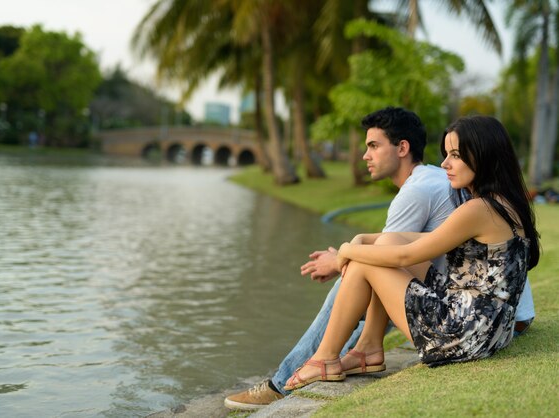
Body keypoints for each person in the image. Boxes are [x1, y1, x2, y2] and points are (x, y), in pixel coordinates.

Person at [224, 108, 536, 410]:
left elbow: (405, 255)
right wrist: (364, 240)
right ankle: (366, 349)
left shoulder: (476, 209)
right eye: (446, 154)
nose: (445, 163)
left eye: (455, 154)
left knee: (366, 263)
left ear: (482, 155)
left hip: (465, 335)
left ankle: (324, 358)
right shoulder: (498, 204)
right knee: (379, 248)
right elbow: (421, 242)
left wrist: (346, 252)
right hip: (489, 327)